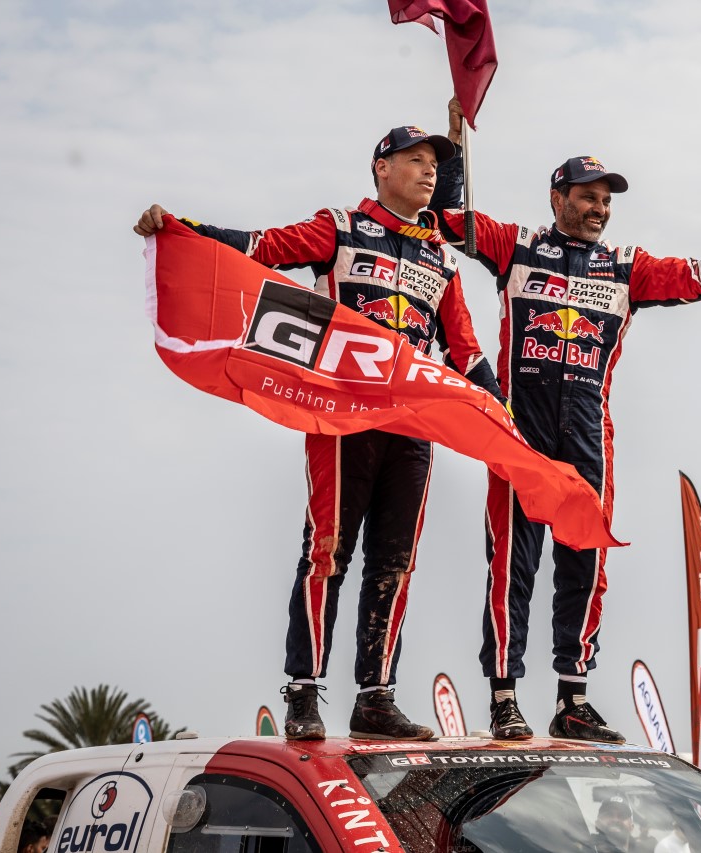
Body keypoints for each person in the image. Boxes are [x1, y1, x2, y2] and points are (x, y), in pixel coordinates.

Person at [431, 100, 701, 742]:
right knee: (512, 566)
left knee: (584, 566)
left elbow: (695, 277)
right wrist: (455, 150)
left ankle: (572, 699)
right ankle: (504, 696)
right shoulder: (517, 246)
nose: (599, 208)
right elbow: (451, 220)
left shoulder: (626, 267)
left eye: (606, 201)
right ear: (558, 198)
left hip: (587, 438)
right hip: (520, 434)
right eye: (588, 197)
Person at [133, 122, 503, 741]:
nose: (429, 171)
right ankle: (303, 691)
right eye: (415, 159)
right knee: (327, 551)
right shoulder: (339, 228)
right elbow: (257, 246)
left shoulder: (441, 257)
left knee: (396, 561)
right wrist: (178, 227)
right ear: (381, 168)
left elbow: (464, 349)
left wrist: (503, 409)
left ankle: (376, 698)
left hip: (411, 424)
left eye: (435, 163)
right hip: (341, 415)